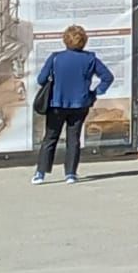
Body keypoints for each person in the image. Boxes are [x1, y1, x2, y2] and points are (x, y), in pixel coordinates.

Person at [32, 24, 114, 185]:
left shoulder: (55, 57)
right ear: (84, 41)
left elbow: (41, 80)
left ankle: (40, 173)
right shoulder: (91, 59)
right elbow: (107, 77)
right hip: (81, 104)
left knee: (50, 137)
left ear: (65, 40)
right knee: (73, 138)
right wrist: (96, 92)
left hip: (56, 104)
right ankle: (70, 173)